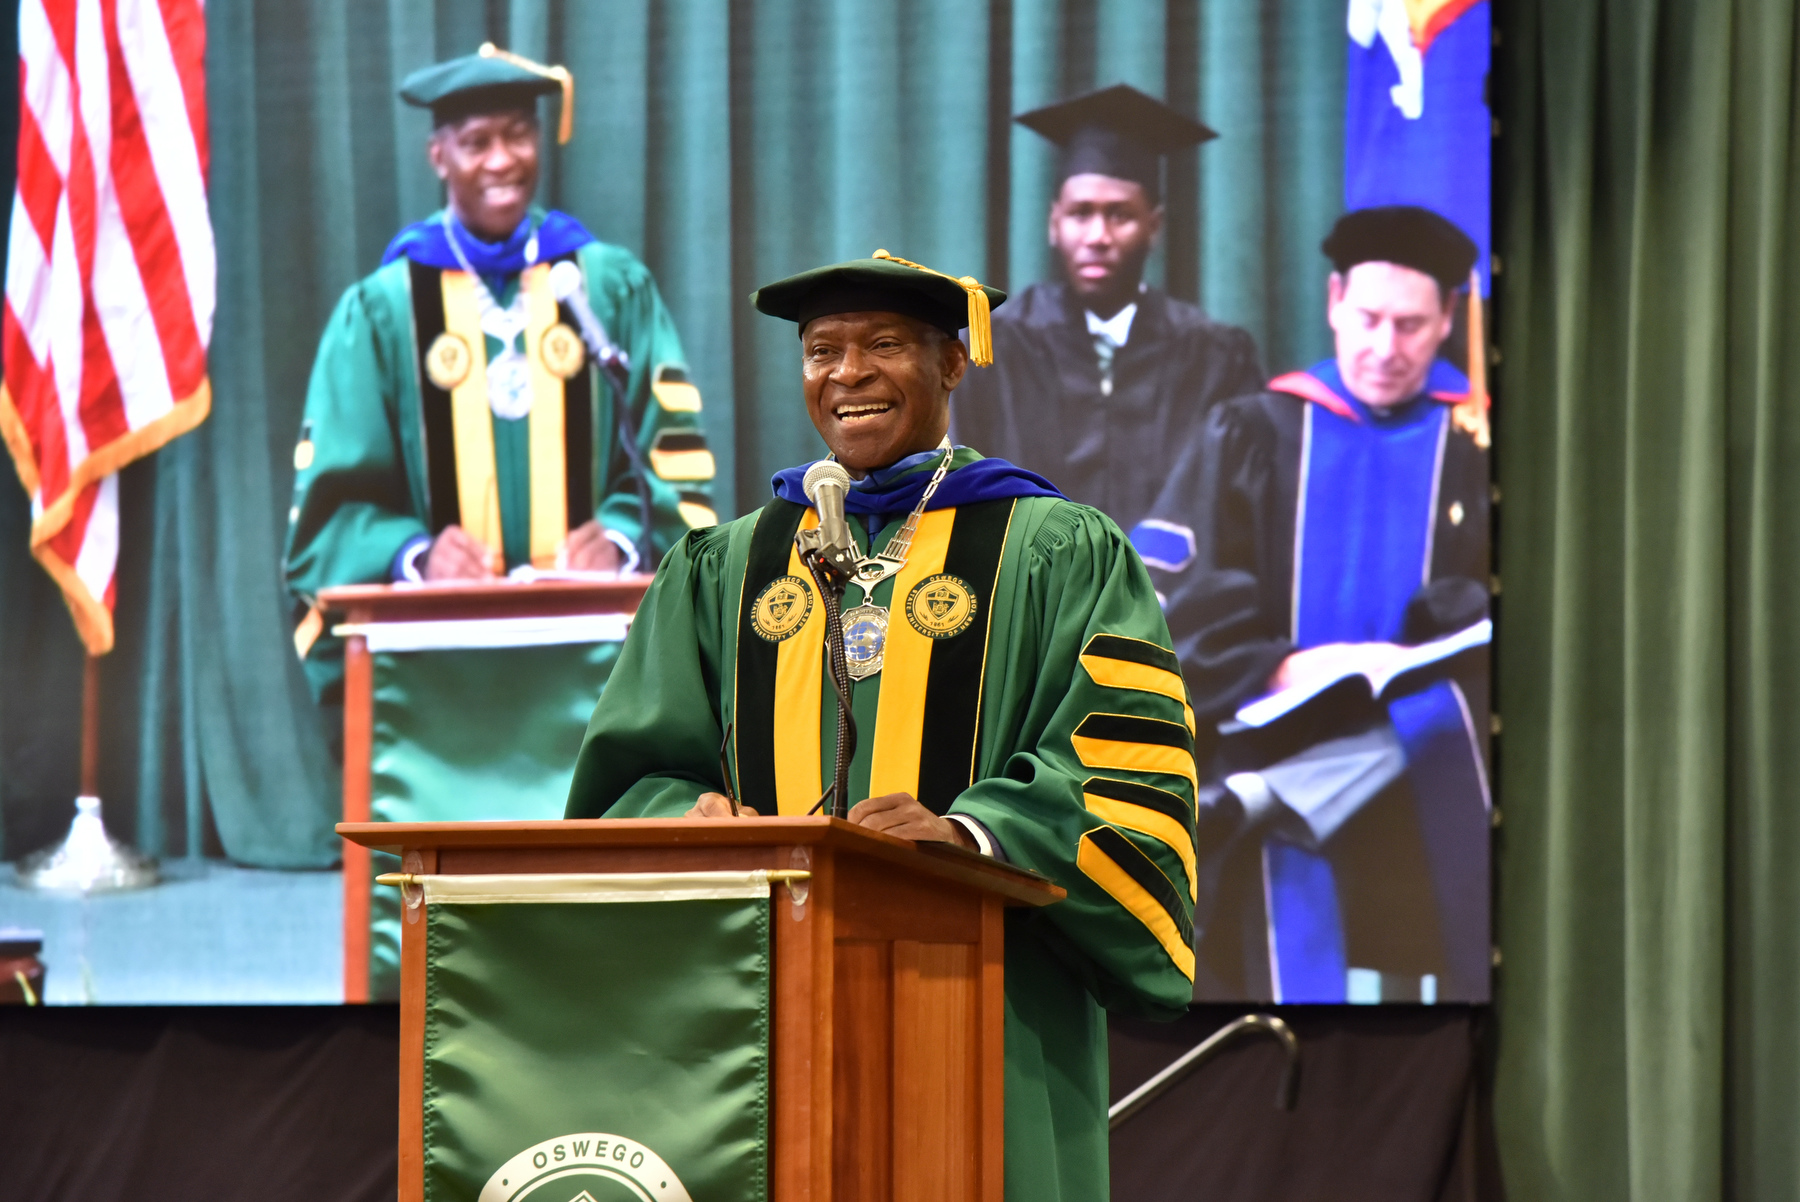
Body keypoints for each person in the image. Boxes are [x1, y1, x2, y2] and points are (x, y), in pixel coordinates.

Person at [566, 253, 1198, 1201]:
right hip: (755, 1007)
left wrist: (969, 835)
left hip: (988, 1001)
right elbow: (629, 775)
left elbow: (1119, 765)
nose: (847, 374)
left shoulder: (1056, 549)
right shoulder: (724, 567)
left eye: (884, 346)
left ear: (953, 363)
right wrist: (685, 819)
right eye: (823, 351)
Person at [284, 46, 716, 701]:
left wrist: (626, 544)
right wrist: (414, 557)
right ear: (439, 156)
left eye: (517, 135)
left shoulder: (605, 287)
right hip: (438, 677)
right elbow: (332, 509)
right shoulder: (384, 310)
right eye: (476, 142)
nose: (501, 160)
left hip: (600, 662)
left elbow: (669, 457)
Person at [1142, 205, 1492, 1004]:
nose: (1384, 348)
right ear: (1335, 300)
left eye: (1411, 325)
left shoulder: (1469, 448)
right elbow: (1178, 598)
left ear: (1445, 323)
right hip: (1280, 717)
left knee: (1439, 723)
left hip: (1421, 753)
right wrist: (1287, 665)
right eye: (1368, 318)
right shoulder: (1255, 430)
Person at [950, 84, 1262, 536]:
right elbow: (958, 493)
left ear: (1153, 227)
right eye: (1081, 214)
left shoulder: (1214, 356)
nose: (1098, 235)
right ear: (1054, 224)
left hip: (1172, 601)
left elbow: (1238, 511)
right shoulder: (992, 350)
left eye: (1120, 215)